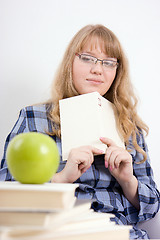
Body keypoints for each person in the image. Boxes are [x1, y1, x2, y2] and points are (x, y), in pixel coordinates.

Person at [0, 24, 159, 239]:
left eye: (109, 63)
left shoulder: (129, 126)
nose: (97, 69)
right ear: (70, 63)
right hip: (59, 230)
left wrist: (128, 180)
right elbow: (7, 196)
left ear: (116, 72)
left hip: (120, 232)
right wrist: (62, 178)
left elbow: (153, 206)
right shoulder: (33, 118)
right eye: (87, 58)